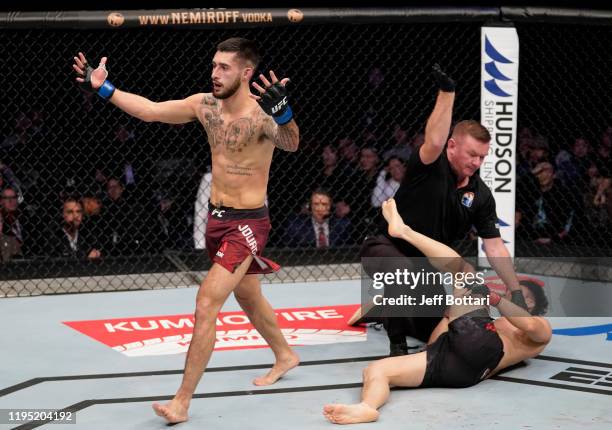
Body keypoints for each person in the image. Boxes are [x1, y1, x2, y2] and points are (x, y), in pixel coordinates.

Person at [73, 37, 300, 424]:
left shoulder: (263, 115)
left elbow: (291, 144)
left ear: (246, 73)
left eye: (224, 67)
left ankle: (182, 401)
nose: (214, 73)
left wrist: (284, 115)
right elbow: (151, 111)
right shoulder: (204, 105)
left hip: (247, 224)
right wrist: (104, 88)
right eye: (213, 65)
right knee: (249, 296)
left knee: (206, 303)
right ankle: (285, 354)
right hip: (216, 220)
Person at [323, 199, 552, 424]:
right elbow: (440, 341)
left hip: (480, 349)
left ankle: (404, 231)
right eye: (518, 292)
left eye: (526, 297)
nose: (519, 296)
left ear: (535, 307)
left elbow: (529, 325)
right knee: (377, 370)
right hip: (458, 370)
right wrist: (449, 317)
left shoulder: (539, 330)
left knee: (464, 270)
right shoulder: (490, 322)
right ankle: (367, 407)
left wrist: (496, 299)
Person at [359, 64, 528, 356]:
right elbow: (434, 139)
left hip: (430, 267)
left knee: (435, 331)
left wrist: (515, 291)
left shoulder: (481, 196)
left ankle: (383, 311)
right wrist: (447, 92)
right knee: (403, 273)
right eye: (472, 154)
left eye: (482, 157)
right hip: (385, 249)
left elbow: (494, 245)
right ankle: (397, 346)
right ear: (452, 146)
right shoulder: (429, 166)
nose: (477, 162)